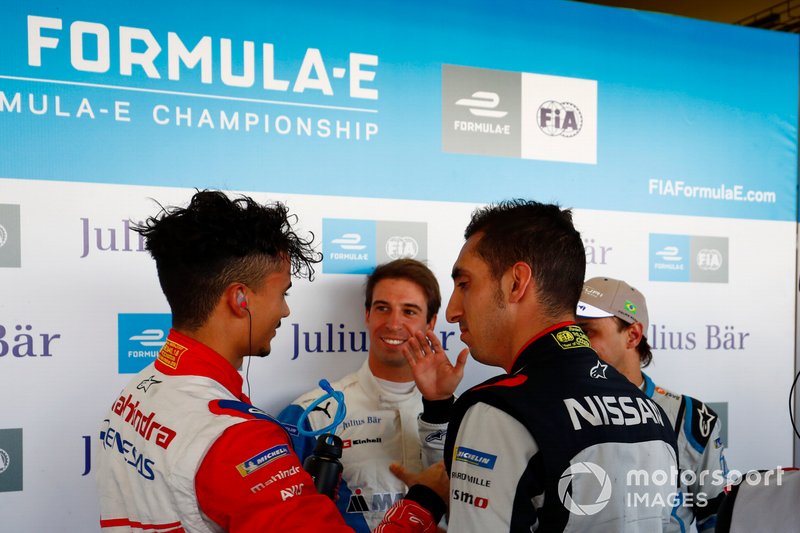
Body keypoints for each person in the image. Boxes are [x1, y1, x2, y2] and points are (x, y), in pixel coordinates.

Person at [95, 190, 443, 533]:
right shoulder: (235, 437)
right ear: (240, 299)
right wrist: (422, 503)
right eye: (283, 293)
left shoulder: (139, 388)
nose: (285, 310)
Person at [398, 199, 679, 531]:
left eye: (464, 285)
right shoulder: (652, 412)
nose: (452, 312)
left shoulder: (499, 411)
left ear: (516, 283)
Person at [278, 259, 467, 532]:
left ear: (431, 323)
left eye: (409, 311)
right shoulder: (312, 414)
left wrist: (439, 408)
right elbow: (282, 517)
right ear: (367, 314)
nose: (393, 323)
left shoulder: (464, 414)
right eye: (382, 308)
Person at [576, 276, 728, 533]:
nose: (573, 343)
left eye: (587, 331)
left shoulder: (690, 417)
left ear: (633, 335)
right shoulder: (554, 408)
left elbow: (716, 516)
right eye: (570, 332)